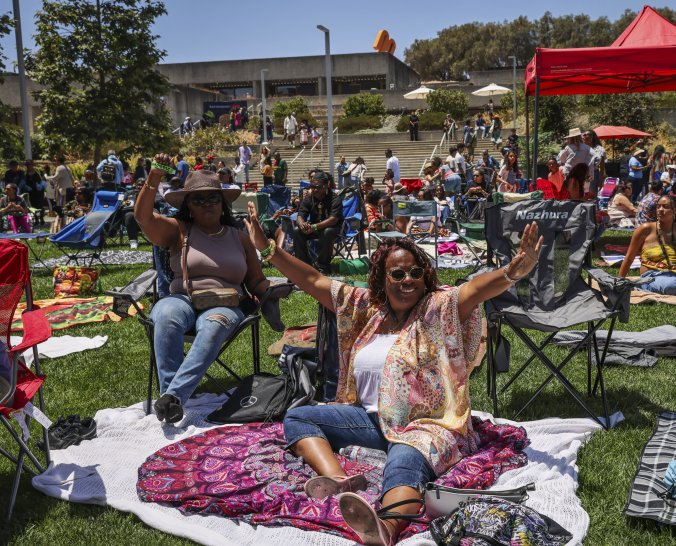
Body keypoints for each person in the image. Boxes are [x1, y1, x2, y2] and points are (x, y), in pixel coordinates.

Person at [243, 202, 543, 546]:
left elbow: (476, 290)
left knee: (405, 459)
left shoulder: (438, 308)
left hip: (427, 425)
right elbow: (312, 279)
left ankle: (385, 529)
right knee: (298, 417)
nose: (408, 280)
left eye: (416, 272)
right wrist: (268, 249)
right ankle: (342, 483)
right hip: (368, 419)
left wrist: (514, 272)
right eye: (398, 274)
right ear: (382, 280)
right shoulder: (365, 308)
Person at [133, 159, 276, 423]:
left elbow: (256, 280)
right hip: (182, 297)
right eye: (198, 200)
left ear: (223, 203)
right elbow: (143, 218)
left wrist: (273, 289)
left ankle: (173, 398)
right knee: (166, 315)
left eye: (213, 198)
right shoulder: (178, 230)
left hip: (226, 302)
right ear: (188, 206)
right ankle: (170, 397)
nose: (207, 204)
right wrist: (153, 177)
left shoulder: (239, 237)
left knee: (213, 326)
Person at [619, 195, 676, 295]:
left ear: (675, 210)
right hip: (652, 278)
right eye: (658, 206)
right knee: (672, 286)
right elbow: (629, 258)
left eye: (665, 207)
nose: (660, 210)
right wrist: (619, 280)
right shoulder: (645, 229)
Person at [293, 171, 343, 274]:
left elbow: (333, 220)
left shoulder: (335, 198)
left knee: (327, 232)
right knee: (297, 231)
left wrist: (314, 227)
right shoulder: (309, 198)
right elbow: (300, 215)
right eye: (312, 187)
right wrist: (302, 224)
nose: (315, 190)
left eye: (318, 187)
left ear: (326, 185)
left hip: (334, 229)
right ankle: (304, 266)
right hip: (315, 228)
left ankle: (323, 266)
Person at [582, 129, 606, 194]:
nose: (583, 136)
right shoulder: (581, 148)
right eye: (583, 135)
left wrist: (601, 181)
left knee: (591, 196)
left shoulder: (599, 149)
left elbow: (602, 167)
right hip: (582, 175)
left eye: (585, 135)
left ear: (591, 137)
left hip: (594, 176)